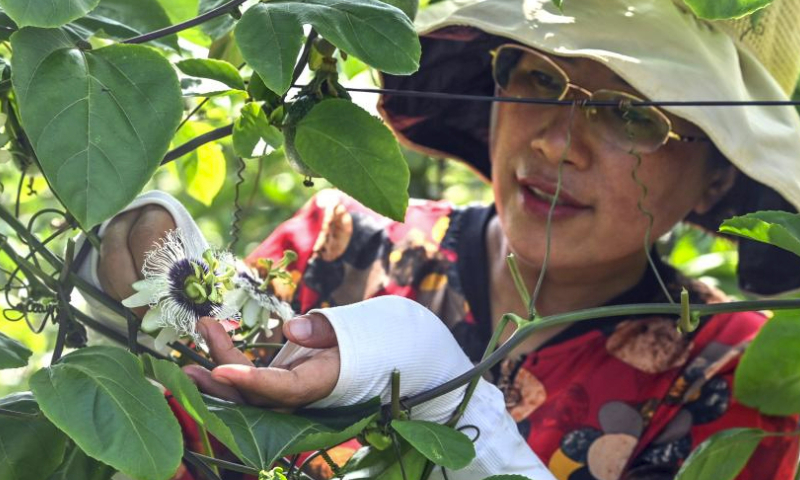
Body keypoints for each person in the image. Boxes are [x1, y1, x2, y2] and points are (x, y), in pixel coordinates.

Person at [86, 0, 800, 479]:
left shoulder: (728, 380)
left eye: (630, 116)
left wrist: (447, 400)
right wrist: (142, 295)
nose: (557, 144)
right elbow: (179, 445)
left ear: (717, 176)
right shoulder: (341, 243)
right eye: (541, 80)